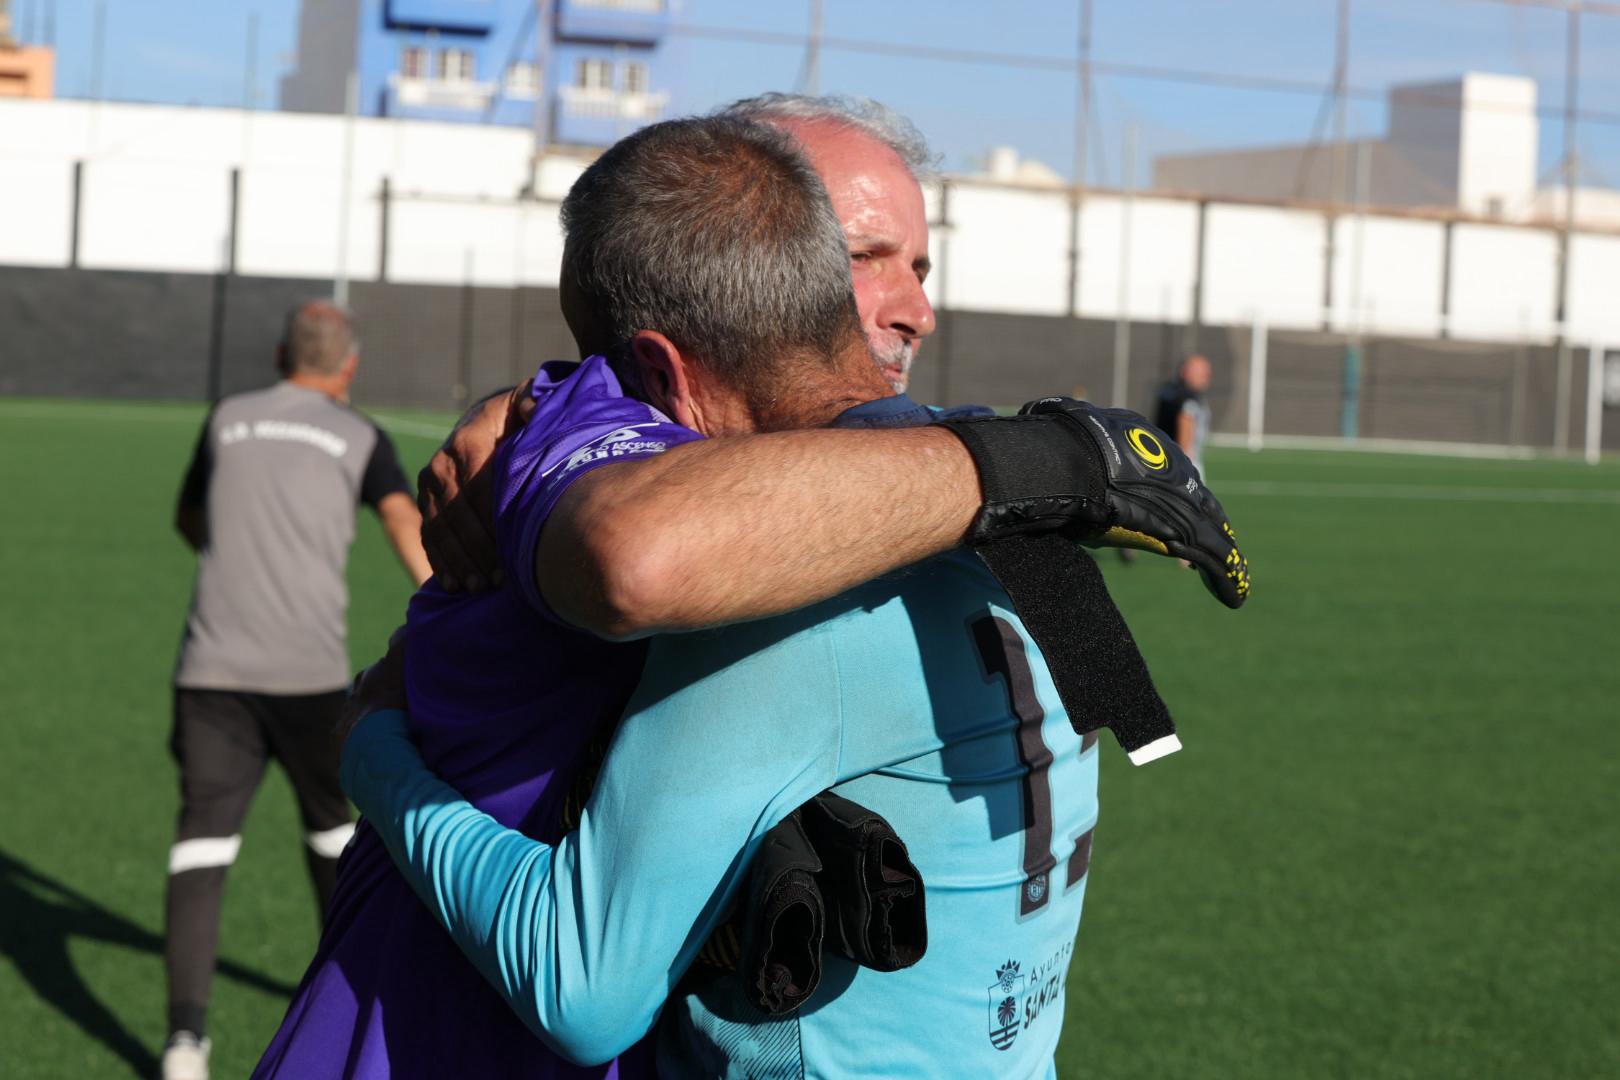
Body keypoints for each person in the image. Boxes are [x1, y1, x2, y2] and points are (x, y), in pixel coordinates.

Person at [257, 116, 1244, 1078]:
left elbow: (579, 986)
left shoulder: (780, 593)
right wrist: (538, 412)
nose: (915, 306)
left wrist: (370, 745)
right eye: (867, 255)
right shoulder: (1025, 506)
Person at [164, 301, 430, 1080]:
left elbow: (189, 519)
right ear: (349, 367)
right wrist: (449, 603)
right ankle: (347, 1003)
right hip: (311, 678)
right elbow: (402, 520)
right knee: (334, 837)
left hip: (211, 671)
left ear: (283, 356)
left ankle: (183, 1044)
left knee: (202, 845)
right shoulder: (359, 435)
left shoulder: (227, 417)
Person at [1154, 353, 1213, 479]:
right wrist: (1184, 461)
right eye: (1200, 373)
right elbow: (1185, 420)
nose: (1206, 376)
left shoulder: (1169, 391)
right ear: (1184, 372)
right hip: (1182, 462)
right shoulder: (1188, 399)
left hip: (1163, 459)